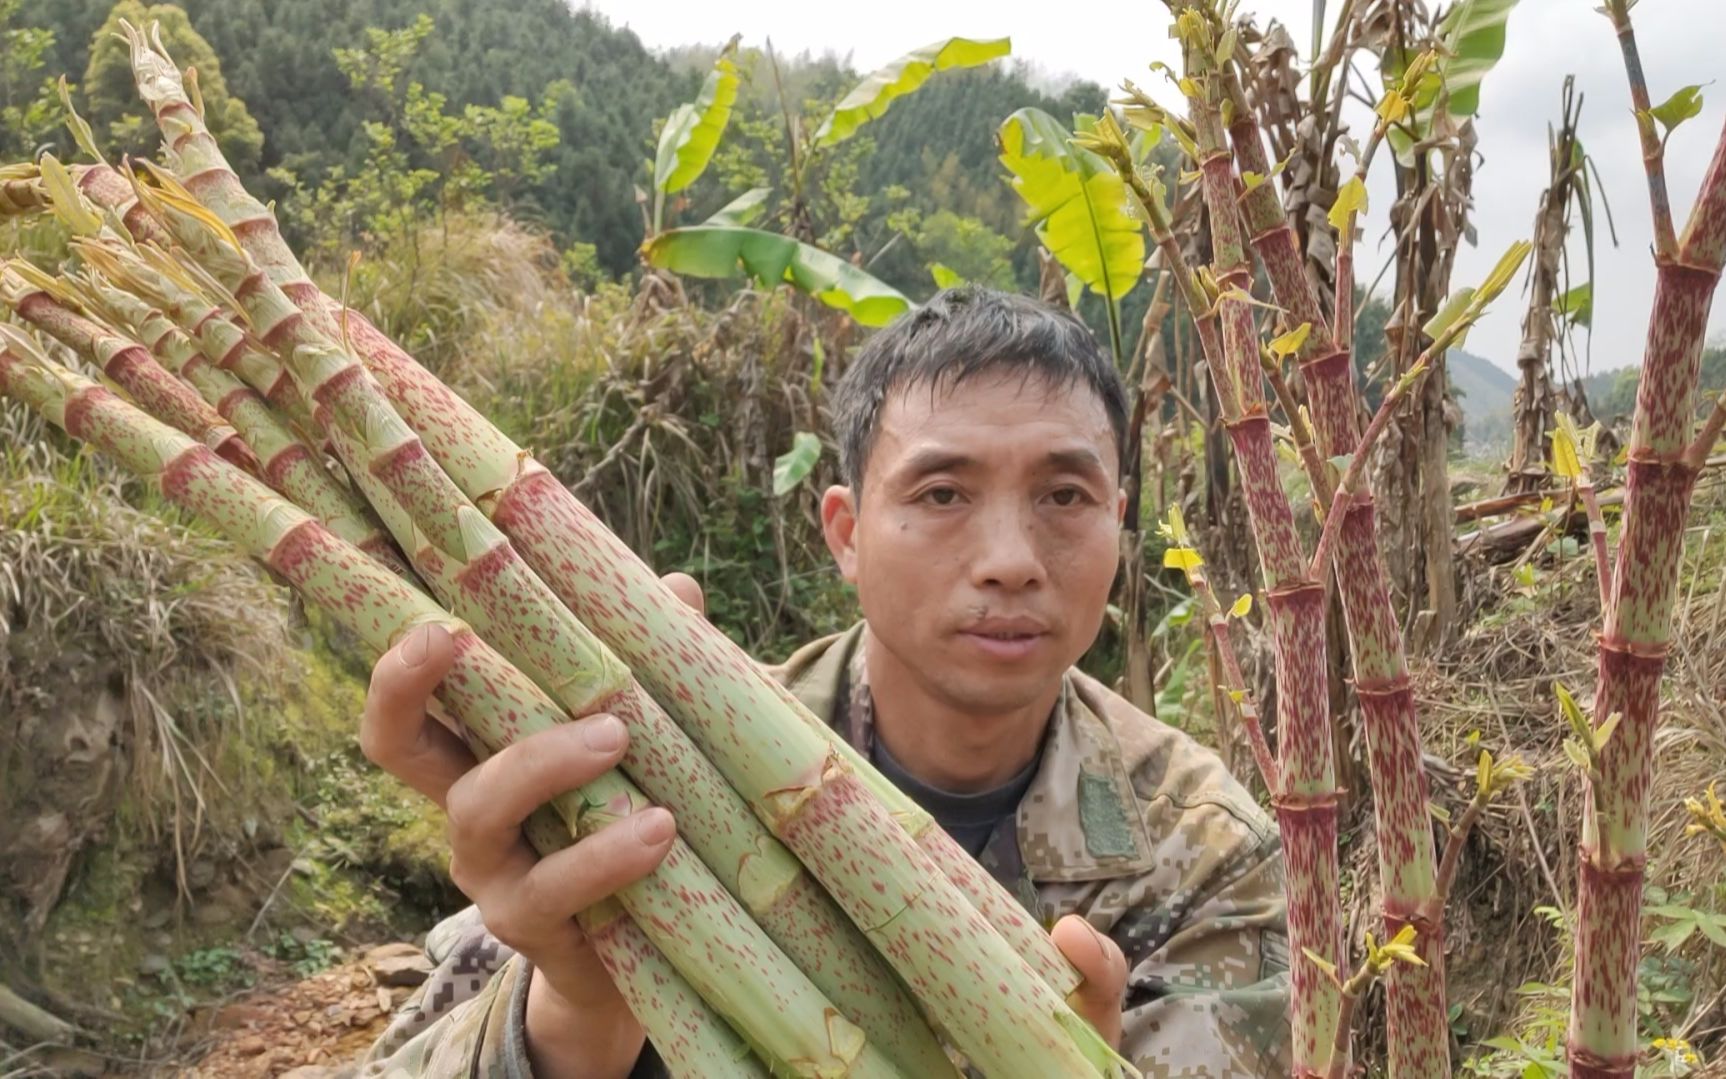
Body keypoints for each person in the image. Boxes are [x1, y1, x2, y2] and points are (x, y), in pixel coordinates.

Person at [351, 286, 1292, 1077]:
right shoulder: (672, 770)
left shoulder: (1205, 852)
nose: (1010, 560)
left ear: (1119, 525)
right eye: (942, 494)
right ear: (845, 531)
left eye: (1065, 496)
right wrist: (574, 1016)